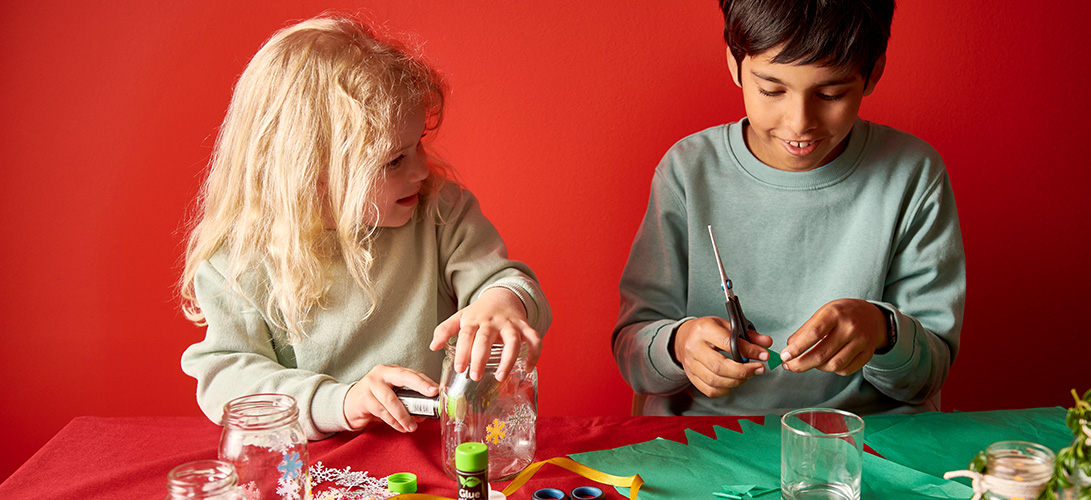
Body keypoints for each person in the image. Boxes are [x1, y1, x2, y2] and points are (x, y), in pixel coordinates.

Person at [179, 16, 550, 440]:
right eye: (394, 161)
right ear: (311, 172)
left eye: (419, 146)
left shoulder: (440, 211)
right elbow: (227, 376)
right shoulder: (240, 257)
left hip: (434, 451)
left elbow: (500, 280)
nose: (421, 170)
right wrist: (340, 402)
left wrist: (502, 302)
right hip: (315, 466)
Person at [613, 0, 965, 417]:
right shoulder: (687, 171)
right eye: (771, 90)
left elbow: (929, 372)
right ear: (734, 64)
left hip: (863, 442)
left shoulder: (913, 174)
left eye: (831, 93)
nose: (799, 122)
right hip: (706, 441)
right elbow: (632, 350)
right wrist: (679, 346)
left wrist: (882, 331)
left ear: (873, 72)